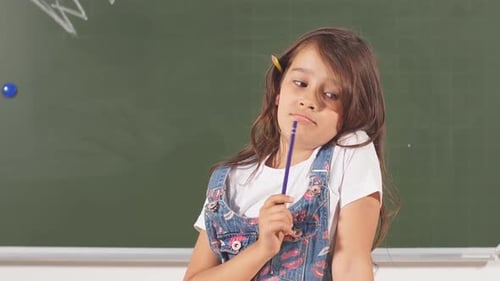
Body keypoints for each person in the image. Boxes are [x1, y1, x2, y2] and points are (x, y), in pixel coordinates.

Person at [184, 27, 398, 281]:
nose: (309, 101)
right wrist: (262, 249)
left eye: (330, 95)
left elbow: (351, 262)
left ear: (351, 113)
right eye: (300, 83)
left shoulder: (350, 150)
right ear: (278, 90)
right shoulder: (229, 180)